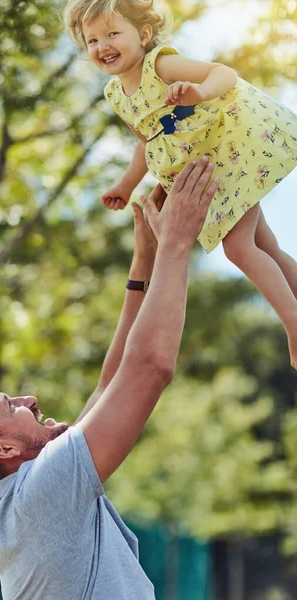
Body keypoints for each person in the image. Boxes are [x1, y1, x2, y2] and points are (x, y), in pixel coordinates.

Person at [0, 158, 218, 600]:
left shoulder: (23, 505)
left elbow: (109, 386)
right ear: (2, 448)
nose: (28, 399)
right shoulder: (41, 496)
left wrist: (144, 263)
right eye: (11, 406)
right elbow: (150, 368)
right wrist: (177, 243)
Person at [63, 0, 297, 368]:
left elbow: (224, 74)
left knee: (239, 249)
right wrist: (125, 186)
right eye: (92, 40)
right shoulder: (115, 95)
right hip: (203, 172)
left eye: (112, 33)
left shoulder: (160, 65)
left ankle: (294, 326)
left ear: (142, 35)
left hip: (224, 155)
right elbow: (148, 140)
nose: (102, 46)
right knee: (265, 246)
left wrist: (200, 92)